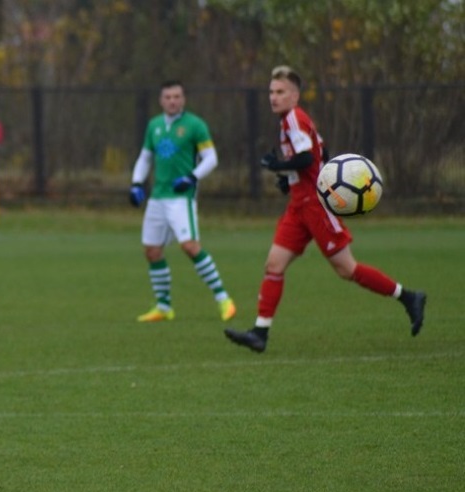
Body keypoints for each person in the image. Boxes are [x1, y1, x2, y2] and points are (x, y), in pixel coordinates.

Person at [224, 66, 426, 353]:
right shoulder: (292, 120)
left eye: (280, 92)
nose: (273, 97)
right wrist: (290, 179)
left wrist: (279, 166)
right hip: (299, 205)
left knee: (346, 269)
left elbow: (307, 158)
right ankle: (260, 333)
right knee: (274, 265)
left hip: (316, 206)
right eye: (271, 92)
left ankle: (408, 297)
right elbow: (322, 153)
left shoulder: (294, 118)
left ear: (295, 96)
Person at [129, 80, 236, 323]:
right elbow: (145, 158)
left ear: (183, 99)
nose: (172, 101)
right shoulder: (154, 125)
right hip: (158, 196)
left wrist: (192, 177)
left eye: (177, 96)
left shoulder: (195, 125)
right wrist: (136, 183)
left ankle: (224, 299)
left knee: (189, 246)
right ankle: (164, 307)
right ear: (161, 100)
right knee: (152, 250)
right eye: (168, 97)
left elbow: (211, 158)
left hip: (181, 197)